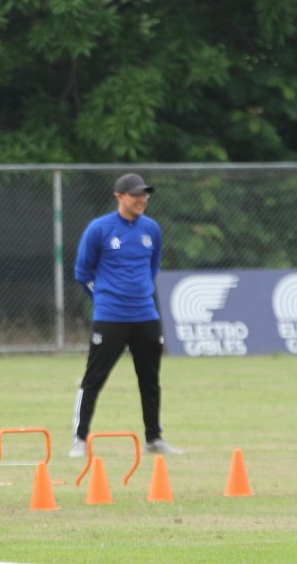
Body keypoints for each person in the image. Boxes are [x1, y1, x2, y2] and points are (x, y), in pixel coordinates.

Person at [69, 173, 181, 458]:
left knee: (150, 380)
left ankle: (154, 438)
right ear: (119, 197)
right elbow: (82, 272)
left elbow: (153, 267)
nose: (142, 199)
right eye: (135, 195)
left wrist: (139, 294)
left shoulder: (151, 229)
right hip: (110, 317)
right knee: (94, 378)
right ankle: (79, 439)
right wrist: (104, 299)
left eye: (145, 194)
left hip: (145, 315)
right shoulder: (99, 229)